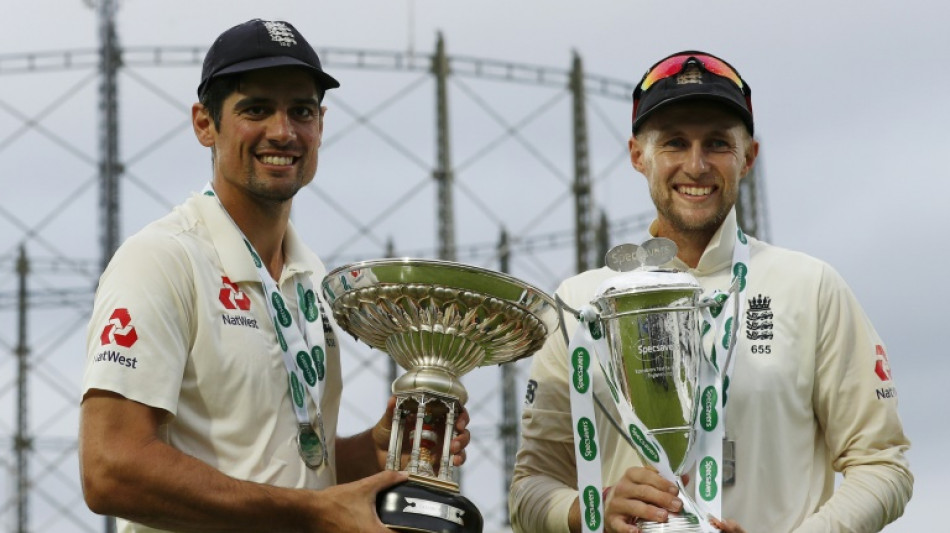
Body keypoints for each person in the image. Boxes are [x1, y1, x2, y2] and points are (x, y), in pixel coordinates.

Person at [79, 19, 469, 533]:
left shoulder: (312, 278)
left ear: (321, 126)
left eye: (301, 111)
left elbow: (291, 472)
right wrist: (313, 513)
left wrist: (373, 452)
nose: (283, 131)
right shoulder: (161, 260)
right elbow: (110, 469)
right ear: (204, 123)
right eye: (256, 108)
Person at [509, 50, 912, 533]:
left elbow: (883, 464)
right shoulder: (579, 304)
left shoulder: (810, 286)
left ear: (748, 158)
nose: (696, 166)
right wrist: (593, 508)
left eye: (718, 144)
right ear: (639, 156)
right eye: (675, 143)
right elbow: (531, 486)